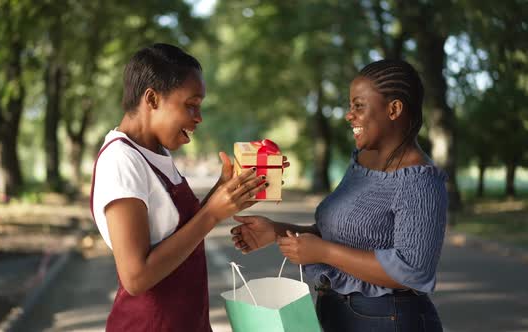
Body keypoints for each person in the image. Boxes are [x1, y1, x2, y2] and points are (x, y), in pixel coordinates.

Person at [231, 59, 447, 332]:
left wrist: (324, 252)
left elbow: (413, 271)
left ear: (394, 109)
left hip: (390, 321)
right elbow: (337, 235)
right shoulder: (362, 161)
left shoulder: (420, 181)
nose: (349, 115)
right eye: (350, 106)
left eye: (359, 106)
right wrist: (276, 231)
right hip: (339, 315)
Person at [90, 43, 272, 332]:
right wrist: (212, 213)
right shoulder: (120, 160)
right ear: (151, 99)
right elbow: (136, 277)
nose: (198, 117)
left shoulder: (155, 152)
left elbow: (174, 232)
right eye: (191, 104)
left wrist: (223, 191)